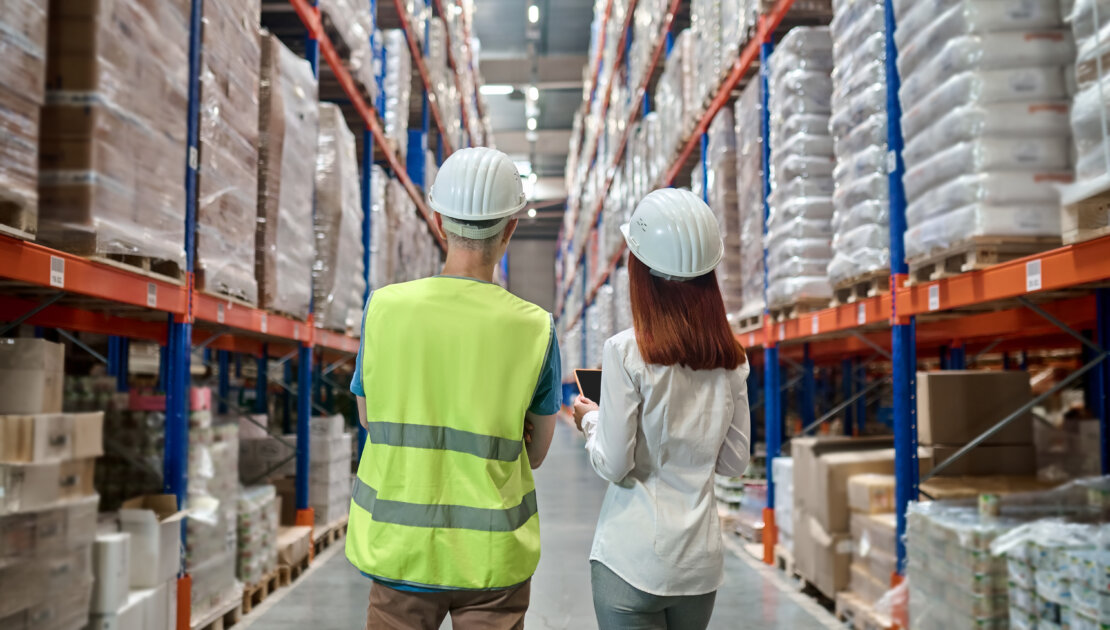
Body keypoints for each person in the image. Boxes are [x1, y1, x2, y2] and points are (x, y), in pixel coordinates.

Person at [346, 147, 561, 630]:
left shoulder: (384, 309)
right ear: (510, 229)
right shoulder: (535, 328)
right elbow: (539, 450)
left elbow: (368, 417)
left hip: (400, 552)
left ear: (439, 222)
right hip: (492, 556)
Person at [573, 188, 751, 630]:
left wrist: (590, 420)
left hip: (631, 562)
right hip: (700, 567)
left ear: (640, 270)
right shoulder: (732, 358)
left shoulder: (626, 351)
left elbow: (614, 464)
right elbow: (733, 463)